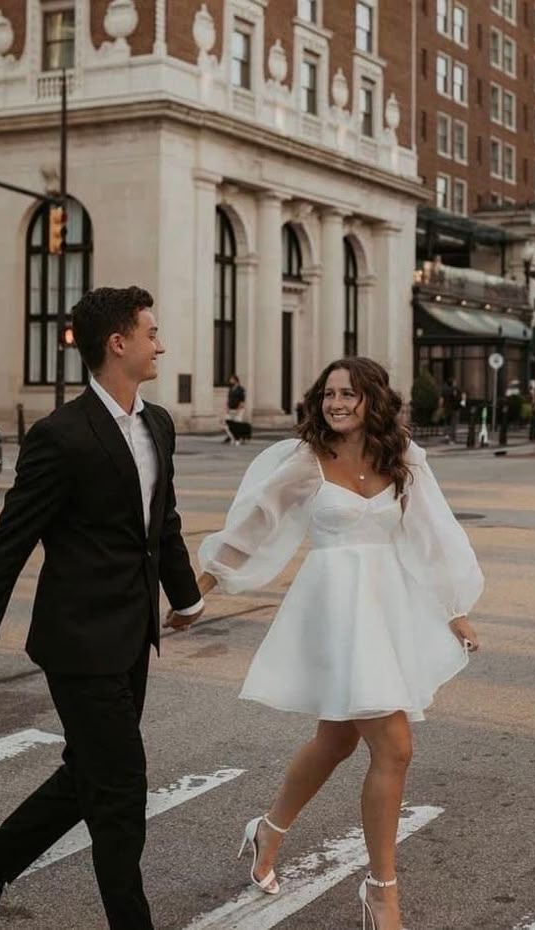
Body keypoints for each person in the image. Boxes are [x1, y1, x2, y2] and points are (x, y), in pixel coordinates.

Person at [168, 357, 483, 930]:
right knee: (395, 748)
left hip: (386, 612)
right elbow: (251, 528)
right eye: (330, 393)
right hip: (336, 615)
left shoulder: (402, 457)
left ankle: (266, 831)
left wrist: (454, 609)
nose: (337, 403)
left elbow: (431, 534)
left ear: (373, 401)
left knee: (336, 741)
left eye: (350, 394)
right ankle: (383, 891)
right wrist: (200, 590)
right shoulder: (305, 462)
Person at [0, 286, 207, 930]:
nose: (160, 344)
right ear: (118, 344)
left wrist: (186, 597)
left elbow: (160, 523)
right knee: (119, 791)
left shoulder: (158, 423)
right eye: (151, 333)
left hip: (133, 635)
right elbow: (6, 550)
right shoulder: (61, 436)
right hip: (78, 641)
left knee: (89, 773)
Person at [223, 374, 246, 445]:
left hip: (238, 410)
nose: (230, 381)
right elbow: (229, 399)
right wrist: (227, 408)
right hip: (231, 409)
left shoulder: (241, 389)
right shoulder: (231, 389)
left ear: (235, 380)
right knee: (226, 424)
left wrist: (238, 410)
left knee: (237, 425)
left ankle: (239, 438)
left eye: (231, 379)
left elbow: (242, 401)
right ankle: (232, 437)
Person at [441, 376, 462, 443]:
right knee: (453, 424)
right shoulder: (456, 389)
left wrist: (441, 407)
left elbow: (441, 399)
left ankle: (446, 436)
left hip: (446, 409)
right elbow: (459, 399)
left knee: (447, 423)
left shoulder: (445, 389)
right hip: (454, 409)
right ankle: (452, 438)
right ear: (453, 383)